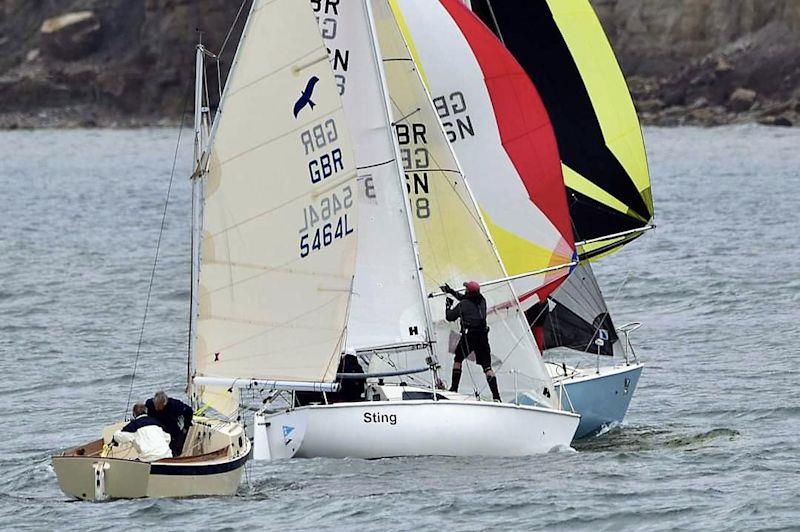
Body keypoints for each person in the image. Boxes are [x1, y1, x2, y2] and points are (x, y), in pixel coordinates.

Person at [441, 280, 502, 402]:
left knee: (458, 359)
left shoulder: (463, 304)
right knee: (487, 367)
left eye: (466, 289)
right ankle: (496, 397)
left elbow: (450, 317)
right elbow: (465, 299)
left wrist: (448, 305)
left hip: (469, 337)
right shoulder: (482, 300)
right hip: (483, 337)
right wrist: (451, 291)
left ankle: (454, 389)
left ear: (468, 291)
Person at [146, 391, 193, 457]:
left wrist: (186, 426)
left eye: (159, 406)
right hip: (157, 429)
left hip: (172, 428)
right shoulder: (149, 403)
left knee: (175, 448)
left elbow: (189, 411)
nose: (157, 408)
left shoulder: (175, 405)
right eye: (156, 406)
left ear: (165, 403)